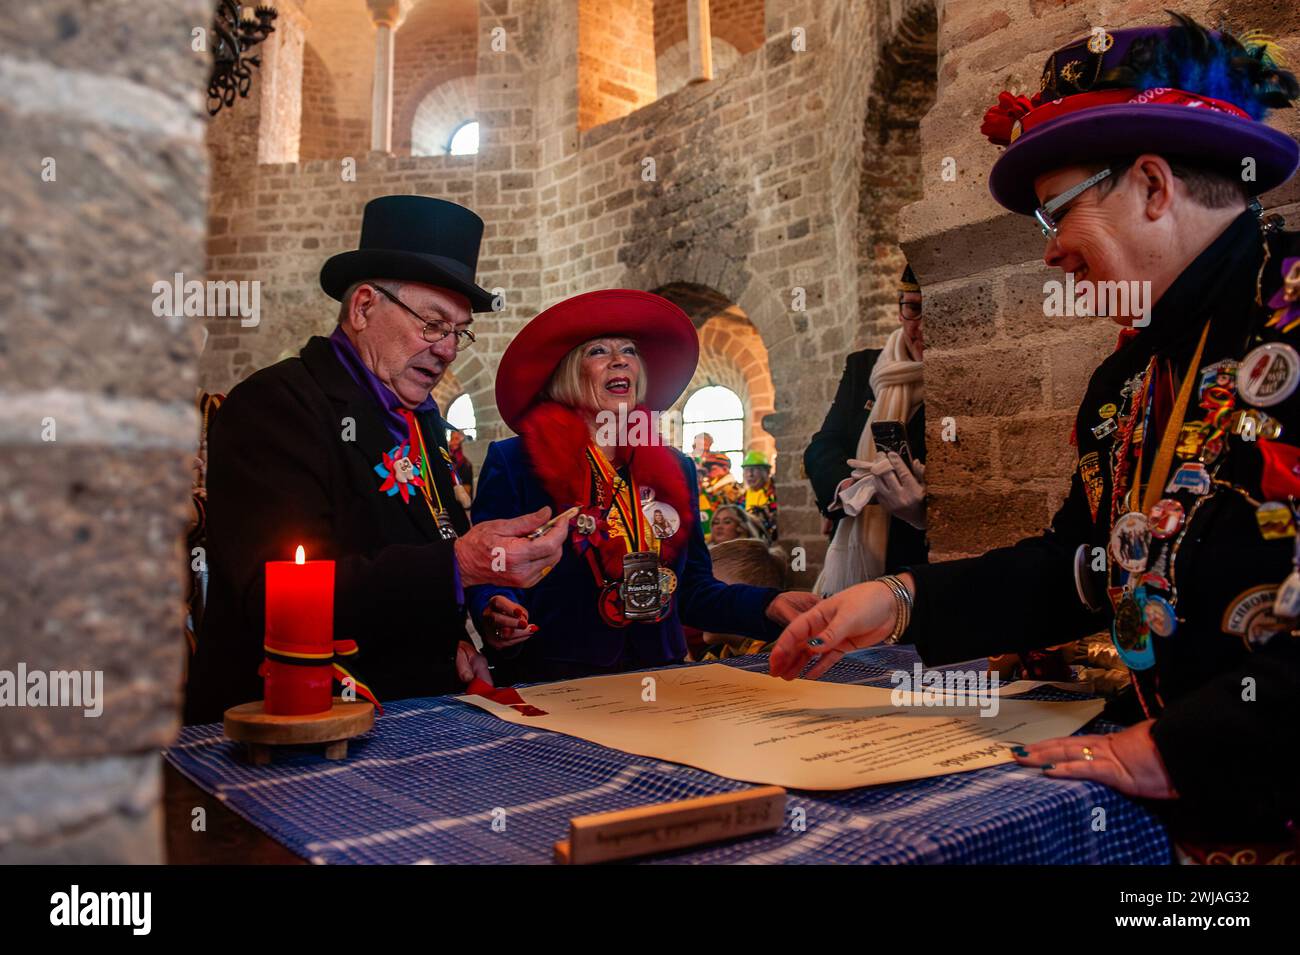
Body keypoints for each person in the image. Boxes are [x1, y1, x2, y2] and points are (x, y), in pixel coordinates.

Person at [771, 15, 1300, 855]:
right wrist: (904, 599)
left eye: (1055, 217)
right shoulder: (1127, 379)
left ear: (1154, 186)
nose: (1051, 257)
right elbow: (1082, 565)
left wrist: (1181, 749)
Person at [184, 196, 569, 724]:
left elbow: (423, 551)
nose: (448, 350)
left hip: (414, 714)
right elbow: (273, 592)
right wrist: (458, 567)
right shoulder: (276, 404)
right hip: (289, 726)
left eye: (459, 331)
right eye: (433, 324)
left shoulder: (424, 420)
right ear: (363, 307)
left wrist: (466, 625)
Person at [466, 289, 819, 684]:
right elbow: (490, 574)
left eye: (629, 350)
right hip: (555, 682)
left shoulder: (676, 468)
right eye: (598, 350)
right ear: (567, 372)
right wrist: (497, 613)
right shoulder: (516, 463)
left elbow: (692, 590)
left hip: (661, 677)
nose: (620, 359)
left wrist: (770, 605)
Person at [805, 263, 928, 593]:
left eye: (934, 310)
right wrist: (846, 488)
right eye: (913, 309)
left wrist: (921, 507)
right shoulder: (864, 367)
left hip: (917, 556)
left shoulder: (955, 373)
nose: (921, 328)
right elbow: (824, 444)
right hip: (855, 539)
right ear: (900, 309)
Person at [698, 451, 744, 538]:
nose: (708, 473)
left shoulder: (732, 489)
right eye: (706, 470)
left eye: (712, 469)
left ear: (725, 469)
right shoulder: (710, 487)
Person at [740, 450, 778, 542]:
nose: (750, 475)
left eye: (754, 469)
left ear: (767, 472)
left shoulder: (777, 493)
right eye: (747, 470)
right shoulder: (742, 497)